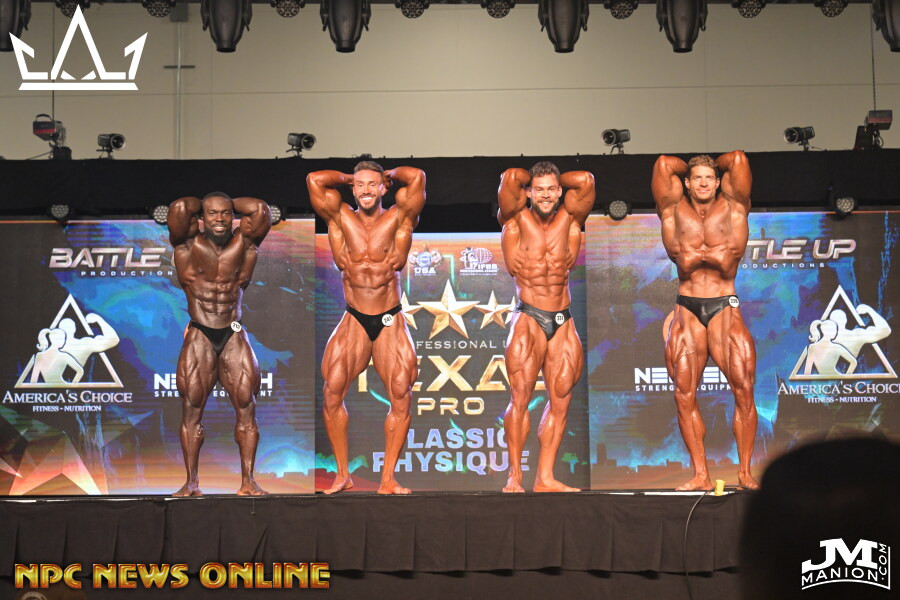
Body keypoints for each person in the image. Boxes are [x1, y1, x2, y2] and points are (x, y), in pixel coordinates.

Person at [307, 162, 425, 494]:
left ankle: (387, 479)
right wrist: (351, 178)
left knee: (400, 394)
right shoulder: (339, 217)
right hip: (355, 317)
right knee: (332, 391)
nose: (366, 191)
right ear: (352, 189)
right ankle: (342, 475)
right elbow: (314, 180)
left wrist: (386, 174)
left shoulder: (400, 217)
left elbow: (416, 177)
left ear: (385, 188)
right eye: (360, 186)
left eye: (373, 185)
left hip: (389, 318)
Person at [652, 151, 759, 490]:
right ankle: (700, 474)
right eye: (696, 178)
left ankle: (745, 472)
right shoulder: (672, 209)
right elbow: (664, 164)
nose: (702, 183)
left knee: (744, 390)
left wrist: (711, 164)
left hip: (724, 304)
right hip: (687, 307)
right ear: (686, 182)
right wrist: (695, 166)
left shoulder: (734, 206)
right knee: (684, 394)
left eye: (709, 178)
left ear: (718, 182)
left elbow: (738, 159)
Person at [497, 162, 594, 493]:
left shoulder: (571, 220)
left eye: (552, 189)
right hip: (528, 316)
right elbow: (510, 177)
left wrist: (553, 180)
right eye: (539, 189)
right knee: (520, 398)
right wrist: (532, 181)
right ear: (528, 192)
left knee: (561, 399)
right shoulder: (514, 220)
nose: (547, 195)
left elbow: (586, 180)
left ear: (561, 191)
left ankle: (545, 477)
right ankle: (514, 476)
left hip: (562, 319)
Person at [167, 192, 271, 496]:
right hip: (200, 331)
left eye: (226, 213)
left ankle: (248, 482)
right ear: (201, 217)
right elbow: (180, 207)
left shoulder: (245, 243)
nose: (220, 219)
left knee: (246, 405)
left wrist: (225, 202)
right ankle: (191, 483)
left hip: (233, 331)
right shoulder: (187, 245)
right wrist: (209, 202)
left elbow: (260, 208)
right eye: (212, 213)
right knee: (192, 407)